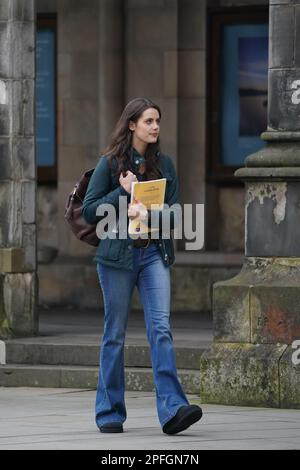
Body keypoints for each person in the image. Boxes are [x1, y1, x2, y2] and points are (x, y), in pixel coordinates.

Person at [82, 97, 202, 435]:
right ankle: (109, 412)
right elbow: (90, 211)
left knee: (160, 329)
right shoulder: (109, 164)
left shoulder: (165, 164)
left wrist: (151, 214)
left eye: (157, 121)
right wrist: (123, 193)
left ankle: (173, 409)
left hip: (153, 255)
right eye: (149, 121)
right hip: (117, 259)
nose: (155, 127)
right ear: (131, 124)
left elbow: (177, 214)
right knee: (115, 335)